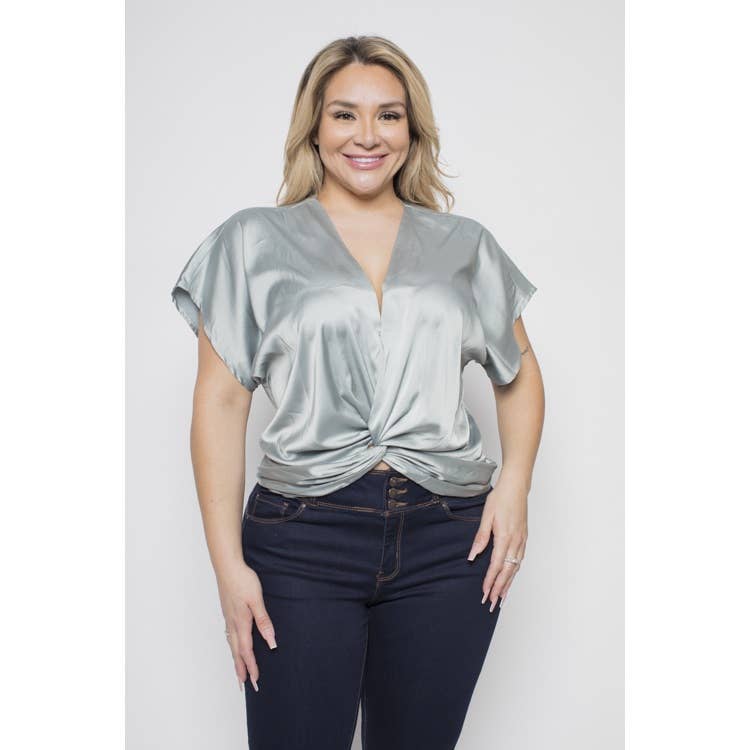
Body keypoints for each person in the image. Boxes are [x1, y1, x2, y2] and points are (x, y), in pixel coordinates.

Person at [170, 34, 544, 750]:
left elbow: (520, 373)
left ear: (412, 129)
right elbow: (219, 404)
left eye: (388, 115)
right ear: (314, 127)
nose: (367, 136)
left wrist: (515, 486)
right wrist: (228, 567)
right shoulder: (252, 241)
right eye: (344, 114)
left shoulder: (463, 245)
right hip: (301, 534)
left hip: (449, 538)